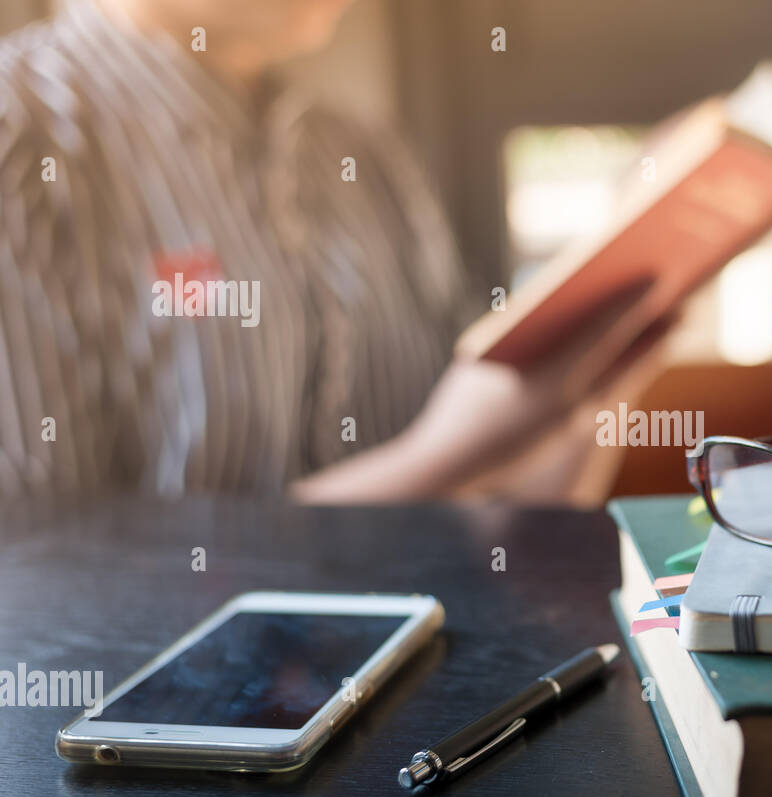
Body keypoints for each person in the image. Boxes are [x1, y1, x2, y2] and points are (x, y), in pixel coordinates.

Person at [0, 0, 667, 503]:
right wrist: (443, 457)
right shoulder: (21, 142)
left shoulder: (367, 155)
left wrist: (601, 379)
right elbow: (58, 585)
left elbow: (502, 517)